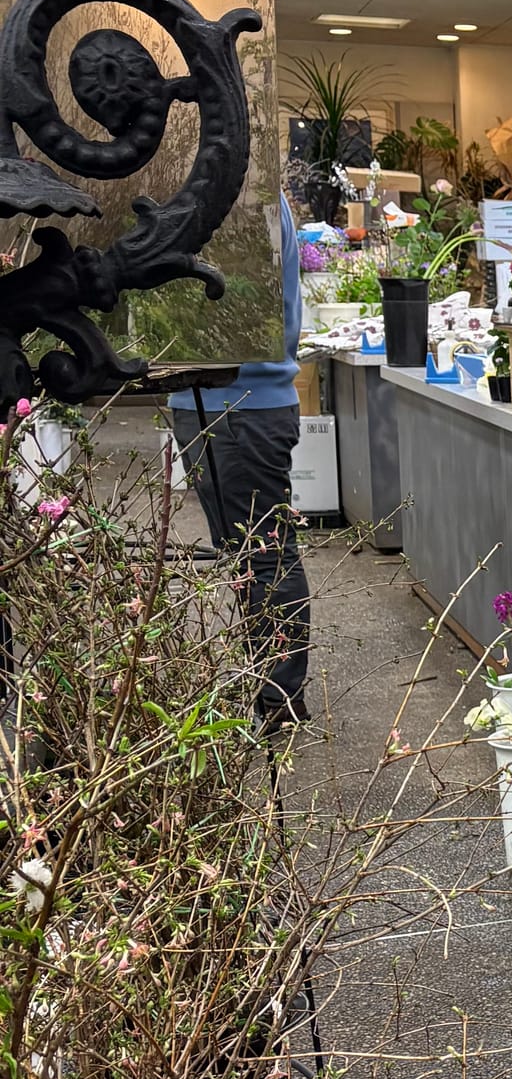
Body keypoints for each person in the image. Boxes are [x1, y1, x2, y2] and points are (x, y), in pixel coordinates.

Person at [168, 193, 310, 727]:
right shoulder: (218, 187)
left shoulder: (245, 192)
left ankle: (279, 699)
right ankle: (269, 685)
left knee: (264, 554)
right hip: (216, 401)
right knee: (247, 555)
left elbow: (231, 298)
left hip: (241, 402)